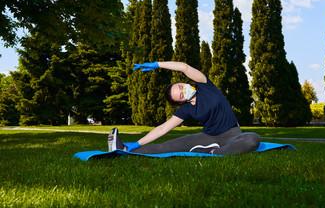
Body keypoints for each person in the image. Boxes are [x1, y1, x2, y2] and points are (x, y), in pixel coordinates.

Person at [108, 61, 260, 155]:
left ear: (182, 82)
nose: (183, 90)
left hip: (233, 135)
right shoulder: (187, 109)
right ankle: (124, 150)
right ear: (181, 102)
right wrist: (137, 143)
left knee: (253, 139)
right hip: (208, 137)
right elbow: (163, 129)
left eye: (180, 87)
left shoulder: (204, 85)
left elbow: (184, 67)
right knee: (166, 147)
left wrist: (157, 64)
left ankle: (215, 152)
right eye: (181, 95)